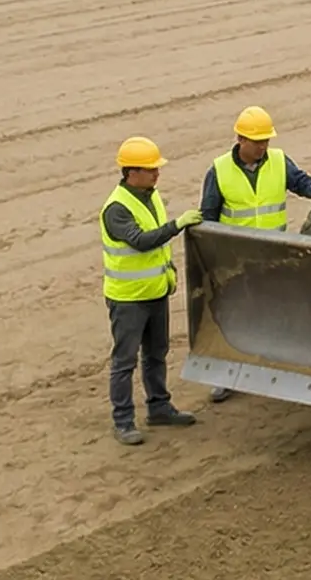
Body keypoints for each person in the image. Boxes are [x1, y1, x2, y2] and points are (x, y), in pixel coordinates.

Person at [197, 106, 311, 401]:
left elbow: (300, 181)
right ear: (240, 139)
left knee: (277, 313)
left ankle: (276, 371)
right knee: (233, 319)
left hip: (272, 255)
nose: (263, 147)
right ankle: (227, 377)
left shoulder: (278, 161)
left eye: (266, 141)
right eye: (257, 141)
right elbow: (208, 216)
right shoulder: (219, 170)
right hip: (234, 261)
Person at [101, 136, 200, 445]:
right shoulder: (117, 208)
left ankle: (159, 407)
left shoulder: (150, 195)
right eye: (151, 169)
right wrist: (177, 225)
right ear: (132, 172)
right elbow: (141, 241)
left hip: (155, 292)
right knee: (124, 361)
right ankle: (123, 421)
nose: (157, 174)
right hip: (128, 299)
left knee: (156, 353)